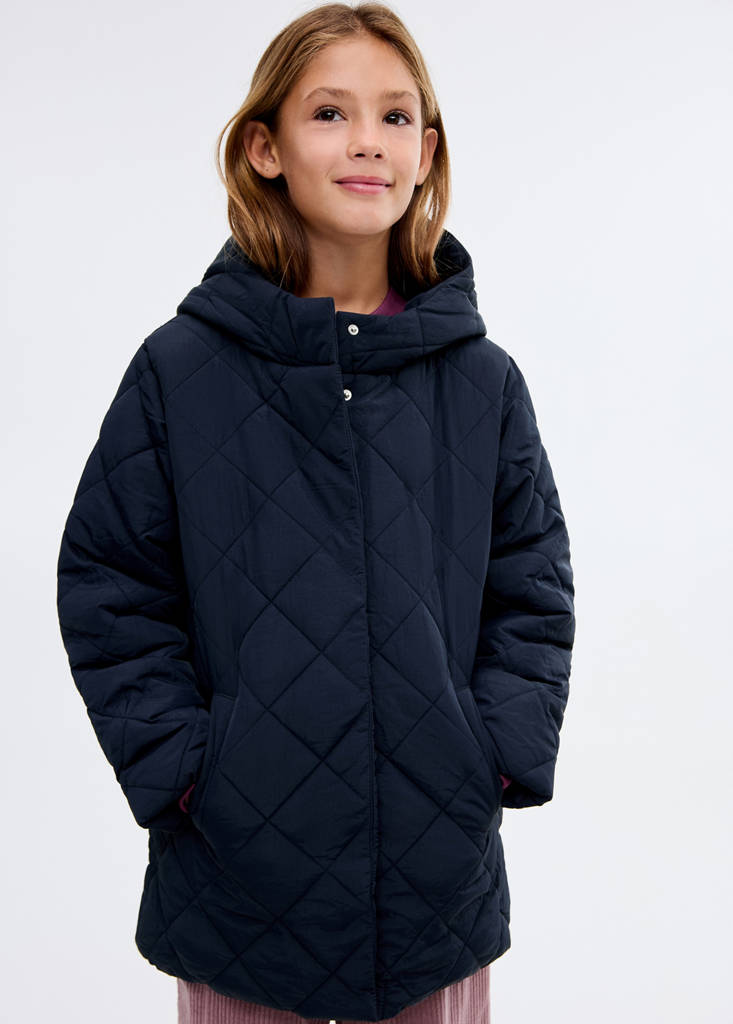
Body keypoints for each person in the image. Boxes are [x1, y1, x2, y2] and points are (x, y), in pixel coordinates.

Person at [55, 3, 576, 1022]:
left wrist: (495, 752)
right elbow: (110, 582)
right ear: (265, 148)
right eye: (330, 113)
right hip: (240, 884)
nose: (368, 141)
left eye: (396, 116)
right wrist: (189, 772)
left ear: (427, 154)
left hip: (433, 884)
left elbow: (533, 585)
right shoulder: (180, 371)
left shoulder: (481, 382)